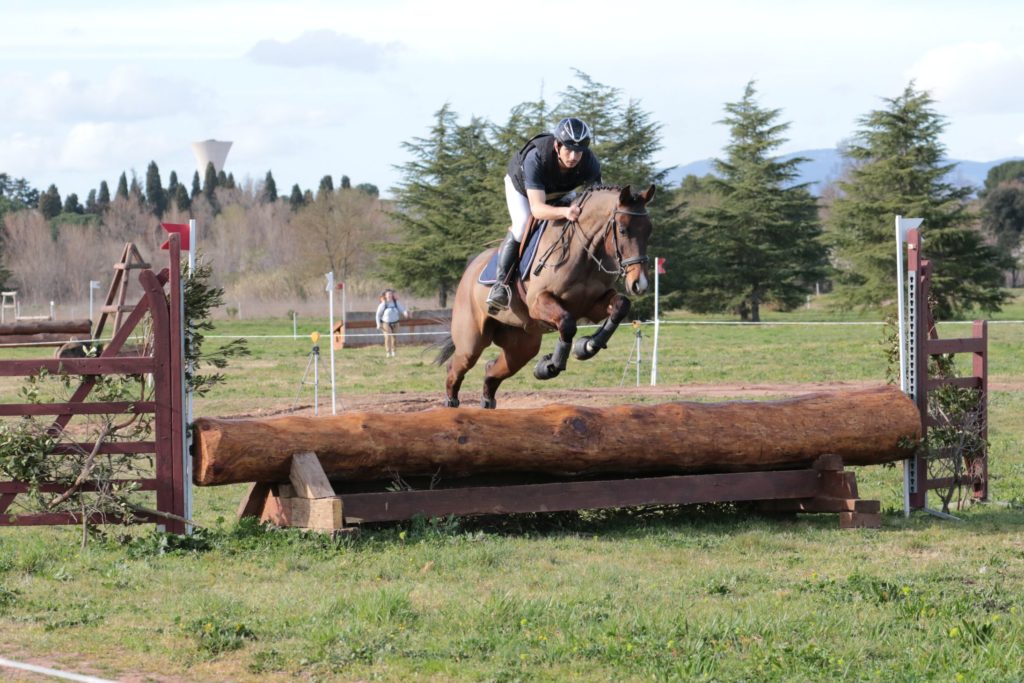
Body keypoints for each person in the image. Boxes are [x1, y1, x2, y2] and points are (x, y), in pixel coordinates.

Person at [487, 117, 603, 310]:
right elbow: (538, 209)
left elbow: (598, 198)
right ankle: (501, 285)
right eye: (569, 149)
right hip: (523, 189)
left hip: (560, 189)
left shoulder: (589, 162)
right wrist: (565, 211)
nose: (574, 156)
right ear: (557, 145)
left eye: (579, 151)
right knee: (522, 224)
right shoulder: (536, 157)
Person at [375, 288, 408, 357]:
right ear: (385, 296)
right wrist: (378, 324)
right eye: (388, 294)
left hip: (396, 323)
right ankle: (388, 352)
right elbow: (378, 315)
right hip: (386, 323)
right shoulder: (383, 304)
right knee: (387, 337)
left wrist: (405, 313)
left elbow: (402, 309)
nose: (389, 295)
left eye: (390, 294)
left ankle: (393, 351)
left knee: (394, 337)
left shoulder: (396, 302)